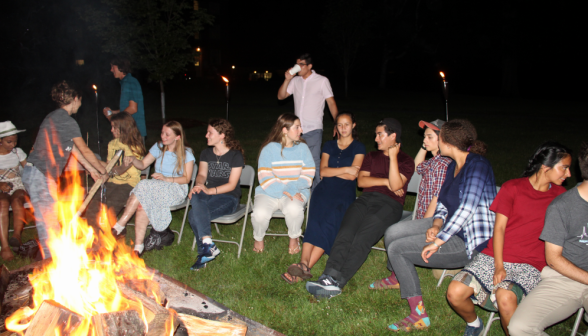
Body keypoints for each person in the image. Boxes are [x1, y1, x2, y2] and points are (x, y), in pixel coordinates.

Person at [373, 119, 496, 332]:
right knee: (392, 231)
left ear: (447, 142)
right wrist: (437, 223)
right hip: (448, 227)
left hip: (468, 241)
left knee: (398, 249)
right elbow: (443, 204)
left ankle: (418, 314)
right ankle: (398, 277)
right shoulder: (453, 166)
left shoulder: (478, 165)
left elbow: (467, 208)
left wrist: (438, 240)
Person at [446, 142, 571, 336]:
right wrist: (499, 265)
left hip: (531, 263)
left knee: (505, 296)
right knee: (455, 292)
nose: (569, 174)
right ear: (546, 168)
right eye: (564, 167)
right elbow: (500, 229)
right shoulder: (513, 187)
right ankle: (474, 324)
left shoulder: (561, 196)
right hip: (496, 256)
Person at [306, 118, 415, 298]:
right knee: (346, 231)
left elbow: (397, 186)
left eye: (380, 134)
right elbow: (363, 182)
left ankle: (338, 282)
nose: (376, 139)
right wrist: (387, 181)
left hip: (390, 205)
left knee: (362, 238)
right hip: (366, 199)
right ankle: (328, 275)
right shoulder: (371, 156)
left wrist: (393, 158)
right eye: (376, 135)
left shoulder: (405, 160)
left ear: (393, 136)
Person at [508, 142, 588, 336]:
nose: (567, 175)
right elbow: (553, 258)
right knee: (519, 327)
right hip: (565, 278)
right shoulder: (562, 206)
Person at [23, 80, 107, 259]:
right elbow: (84, 149)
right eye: (81, 100)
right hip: (39, 175)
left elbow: (75, 151)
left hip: (39, 175)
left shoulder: (53, 118)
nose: (81, 104)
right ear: (75, 98)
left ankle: (53, 261)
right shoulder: (66, 121)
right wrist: (102, 169)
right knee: (48, 223)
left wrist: (92, 171)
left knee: (51, 219)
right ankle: (49, 264)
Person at [282, 112, 366, 284]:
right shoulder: (328, 145)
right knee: (315, 222)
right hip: (324, 190)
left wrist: (343, 172)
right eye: (340, 125)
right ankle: (304, 264)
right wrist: (346, 169)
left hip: (344, 193)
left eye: (347, 124)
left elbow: (353, 177)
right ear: (335, 126)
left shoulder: (359, 147)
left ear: (353, 126)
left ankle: (303, 267)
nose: (343, 128)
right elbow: (324, 172)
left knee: (328, 223)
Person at [369, 119, 452, 290]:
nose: (424, 140)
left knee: (395, 235)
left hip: (432, 220)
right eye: (424, 137)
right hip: (422, 216)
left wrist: (422, 225)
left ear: (442, 139)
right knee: (392, 232)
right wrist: (424, 147)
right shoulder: (434, 161)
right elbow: (416, 167)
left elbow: (437, 199)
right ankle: (397, 274)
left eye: (429, 137)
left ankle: (396, 277)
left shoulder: (443, 165)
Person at [111, 121, 194, 256]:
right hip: (157, 187)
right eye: (162, 132)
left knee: (143, 185)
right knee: (142, 203)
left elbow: (186, 179)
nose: (163, 136)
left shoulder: (186, 153)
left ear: (177, 137)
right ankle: (138, 247)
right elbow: (143, 164)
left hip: (176, 188)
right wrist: (133, 159)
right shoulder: (159, 147)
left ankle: (120, 225)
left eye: (167, 134)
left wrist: (167, 179)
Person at [250, 113, 315, 254]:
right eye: (297, 127)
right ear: (284, 130)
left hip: (296, 191)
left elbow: (309, 173)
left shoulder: (302, 149)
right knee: (259, 213)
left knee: (294, 210)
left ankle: (294, 237)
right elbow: (265, 176)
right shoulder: (269, 150)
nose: (301, 131)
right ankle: (259, 237)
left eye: (300, 127)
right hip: (269, 192)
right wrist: (285, 189)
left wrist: (292, 189)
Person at [188, 118, 244, 270]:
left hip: (229, 198)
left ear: (222, 135)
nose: (206, 135)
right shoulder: (206, 153)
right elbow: (201, 175)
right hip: (209, 195)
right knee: (196, 193)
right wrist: (199, 185)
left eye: (210, 133)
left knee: (193, 216)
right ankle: (208, 244)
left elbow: (232, 184)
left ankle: (204, 253)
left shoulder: (235, 155)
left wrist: (209, 190)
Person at [277, 53, 338, 189]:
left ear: (310, 66)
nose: (298, 67)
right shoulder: (295, 81)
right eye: (296, 64)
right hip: (296, 131)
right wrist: (287, 79)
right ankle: (300, 191)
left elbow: (331, 103)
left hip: (313, 129)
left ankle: (318, 193)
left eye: (301, 65)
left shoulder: (322, 81)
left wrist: (337, 123)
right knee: (298, 162)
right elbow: (281, 96)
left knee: (313, 162)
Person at [85, 112, 147, 235]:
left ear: (124, 128)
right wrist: (96, 166)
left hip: (129, 184)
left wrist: (108, 171)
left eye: (114, 127)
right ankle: (93, 238)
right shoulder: (112, 144)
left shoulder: (134, 146)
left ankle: (105, 241)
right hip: (112, 182)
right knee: (92, 208)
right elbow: (109, 166)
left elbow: (121, 169)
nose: (111, 130)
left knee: (109, 210)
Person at [0, 121, 29, 261]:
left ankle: (16, 236)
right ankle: (5, 247)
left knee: (17, 200)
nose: (13, 145)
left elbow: (29, 169)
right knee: (3, 204)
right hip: (0, 186)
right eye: (9, 142)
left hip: (17, 184)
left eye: (15, 141)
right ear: (0, 140)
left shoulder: (18, 152)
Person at [102, 57, 147, 139]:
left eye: (113, 67)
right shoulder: (126, 83)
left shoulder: (130, 82)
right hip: (128, 130)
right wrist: (113, 112)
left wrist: (115, 118)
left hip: (133, 132)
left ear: (120, 67)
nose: (111, 70)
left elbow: (133, 109)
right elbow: (127, 108)